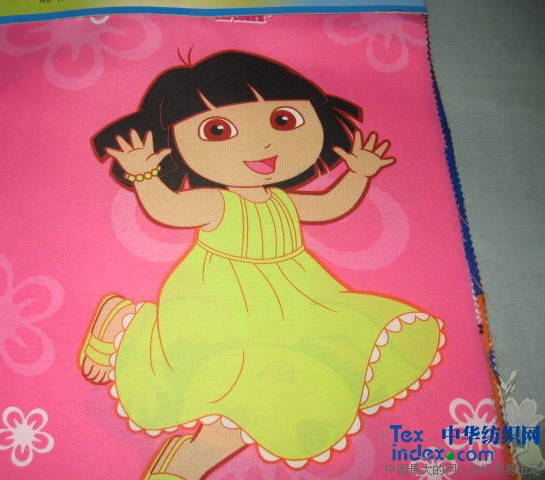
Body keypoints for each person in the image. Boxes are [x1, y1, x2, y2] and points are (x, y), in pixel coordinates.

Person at [79, 51, 444, 480]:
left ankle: (186, 463)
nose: (263, 144)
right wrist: (144, 176)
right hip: (223, 297)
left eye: (284, 121)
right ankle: (125, 324)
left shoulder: (284, 202)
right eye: (217, 130)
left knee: (282, 380)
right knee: (231, 379)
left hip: (294, 294)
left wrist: (359, 174)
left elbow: (330, 205)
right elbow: (170, 210)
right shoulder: (216, 203)